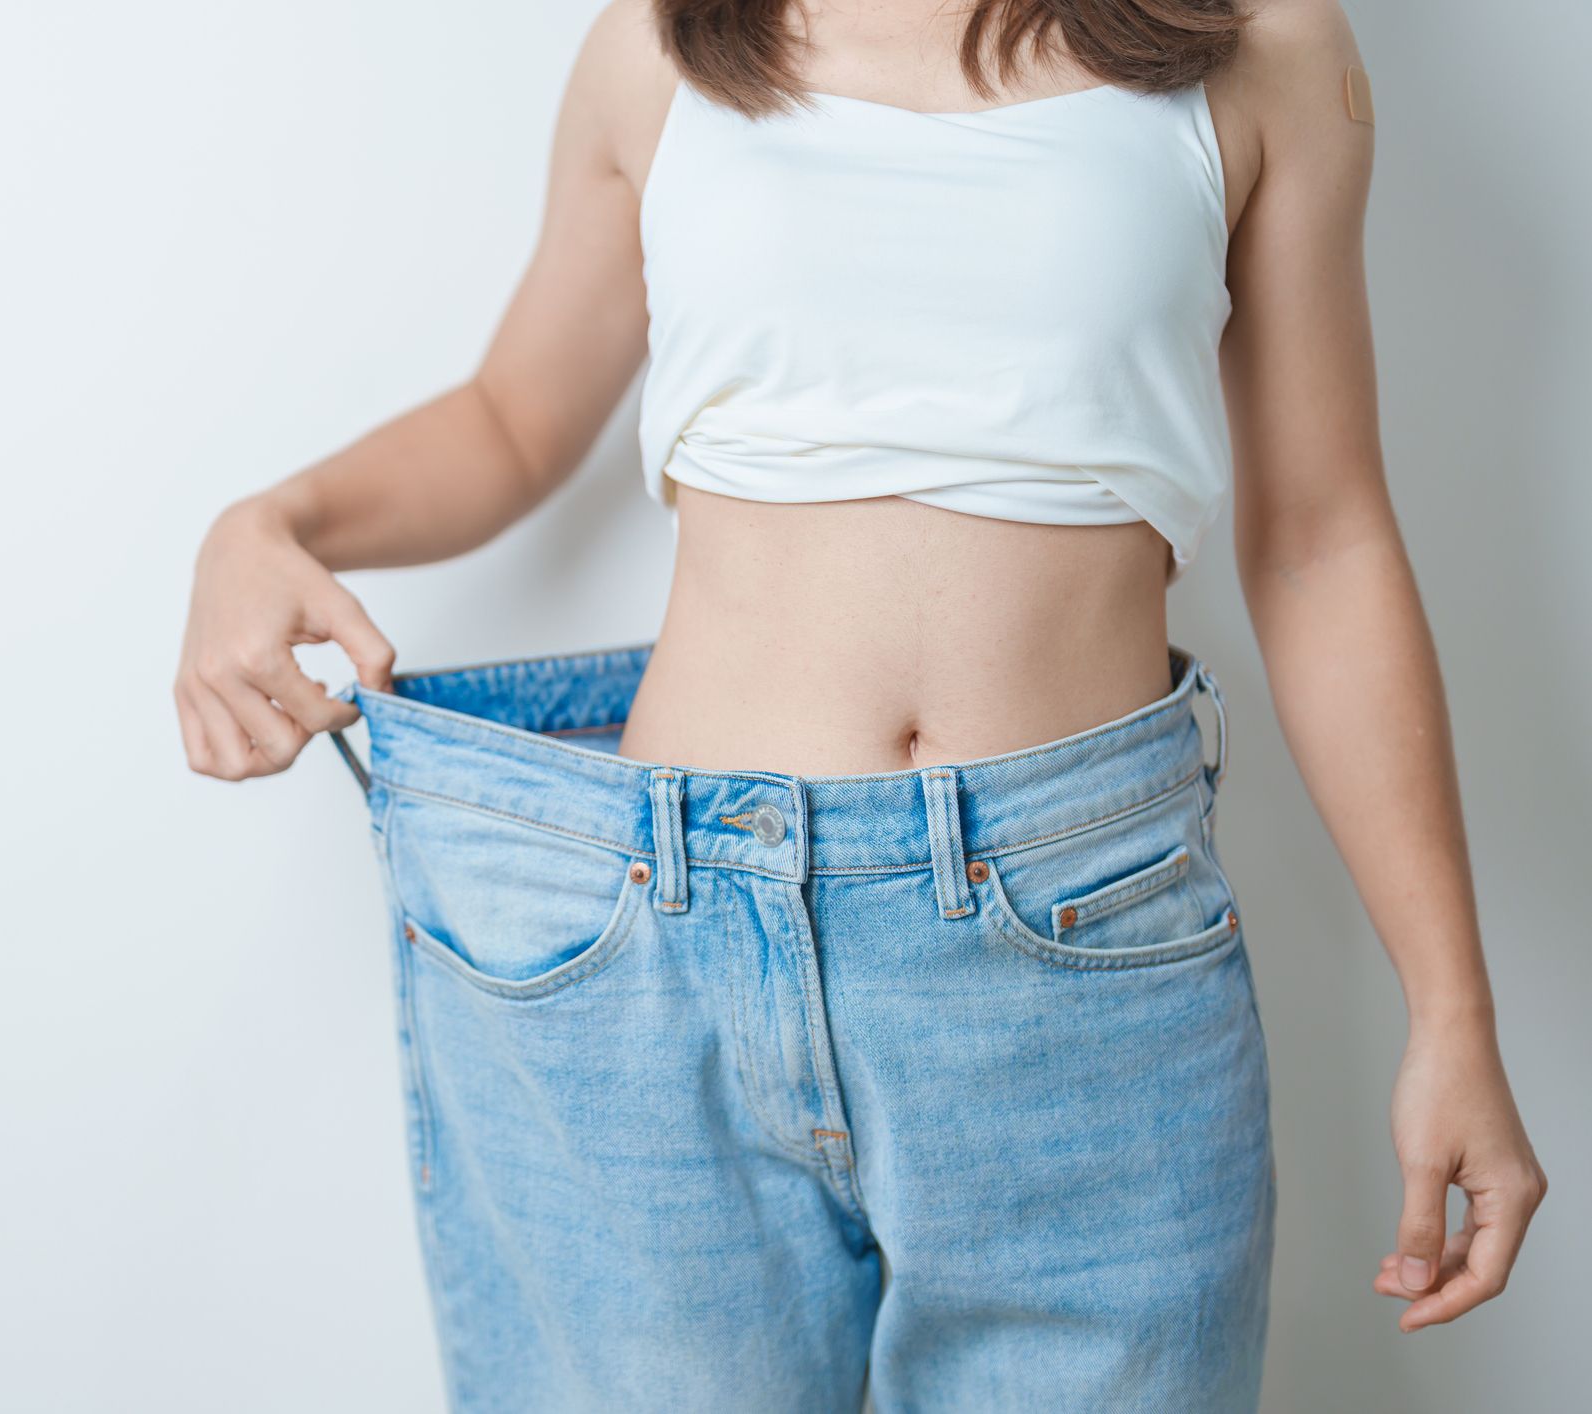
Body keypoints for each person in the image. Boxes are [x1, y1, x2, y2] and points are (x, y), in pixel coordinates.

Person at [175, 1, 1545, 1407]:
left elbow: (1319, 540)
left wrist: (1452, 1012)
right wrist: (269, 521)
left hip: (1076, 940)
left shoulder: (1257, 49)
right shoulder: (657, 50)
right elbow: (514, 418)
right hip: (654, 954)